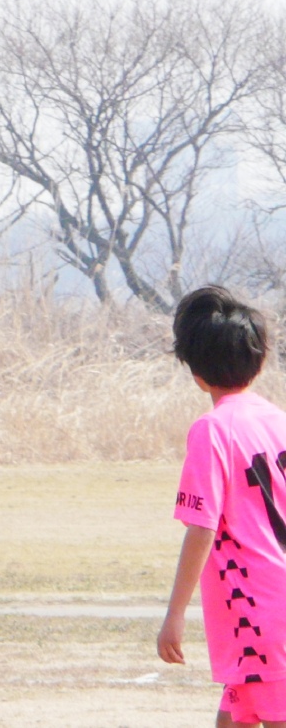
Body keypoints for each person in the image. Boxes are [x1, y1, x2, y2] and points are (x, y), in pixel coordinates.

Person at [157, 286, 286, 728]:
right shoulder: (278, 421)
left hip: (257, 608)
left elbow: (201, 527)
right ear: (259, 360)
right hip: (268, 608)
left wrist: (174, 616)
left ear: (195, 372)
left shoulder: (212, 430)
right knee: (232, 718)